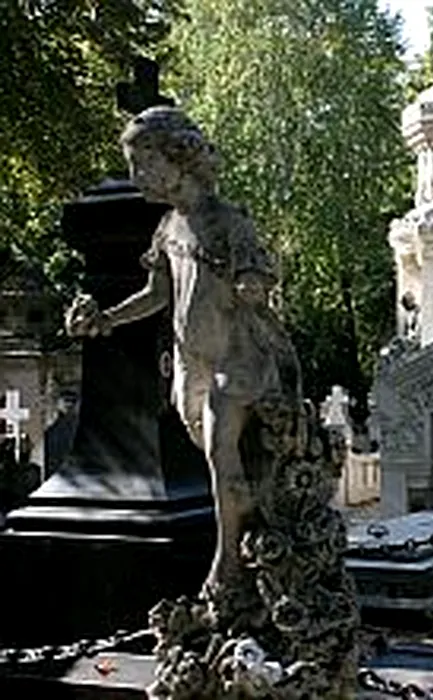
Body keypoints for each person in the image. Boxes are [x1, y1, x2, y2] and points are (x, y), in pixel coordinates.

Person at [65, 106, 303, 597]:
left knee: (220, 452)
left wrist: (251, 282)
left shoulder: (227, 221)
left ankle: (227, 563)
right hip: (190, 363)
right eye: (133, 165)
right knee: (221, 461)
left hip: (237, 358)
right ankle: (256, 531)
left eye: (144, 162)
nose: (137, 176)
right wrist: (107, 319)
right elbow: (156, 295)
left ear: (180, 158)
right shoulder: (169, 226)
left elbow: (257, 274)